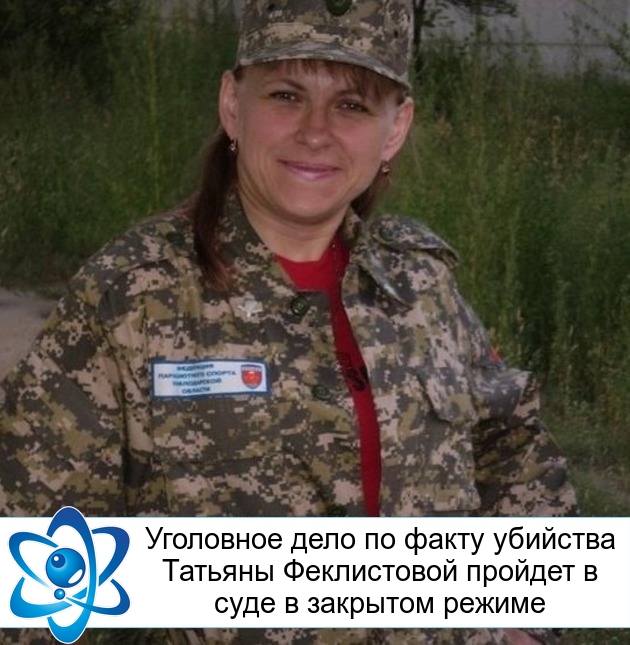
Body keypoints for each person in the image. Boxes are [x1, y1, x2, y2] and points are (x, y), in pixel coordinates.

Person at [0, 0, 577, 642]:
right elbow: (39, 562)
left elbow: (510, 448)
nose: (315, 131)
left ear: (395, 129)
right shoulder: (132, 295)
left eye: (352, 105)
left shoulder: (419, 282)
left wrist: (530, 624)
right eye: (286, 95)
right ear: (232, 105)